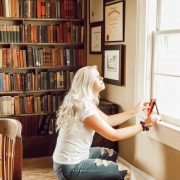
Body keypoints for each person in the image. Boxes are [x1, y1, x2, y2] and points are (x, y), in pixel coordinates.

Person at [53, 65, 159, 180]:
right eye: (97, 77)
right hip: (69, 167)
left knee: (111, 154)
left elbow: (109, 121)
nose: (102, 78)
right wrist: (144, 125)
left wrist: (134, 111)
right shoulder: (84, 107)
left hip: (65, 161)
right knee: (124, 173)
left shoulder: (85, 102)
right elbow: (113, 135)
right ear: (88, 83)